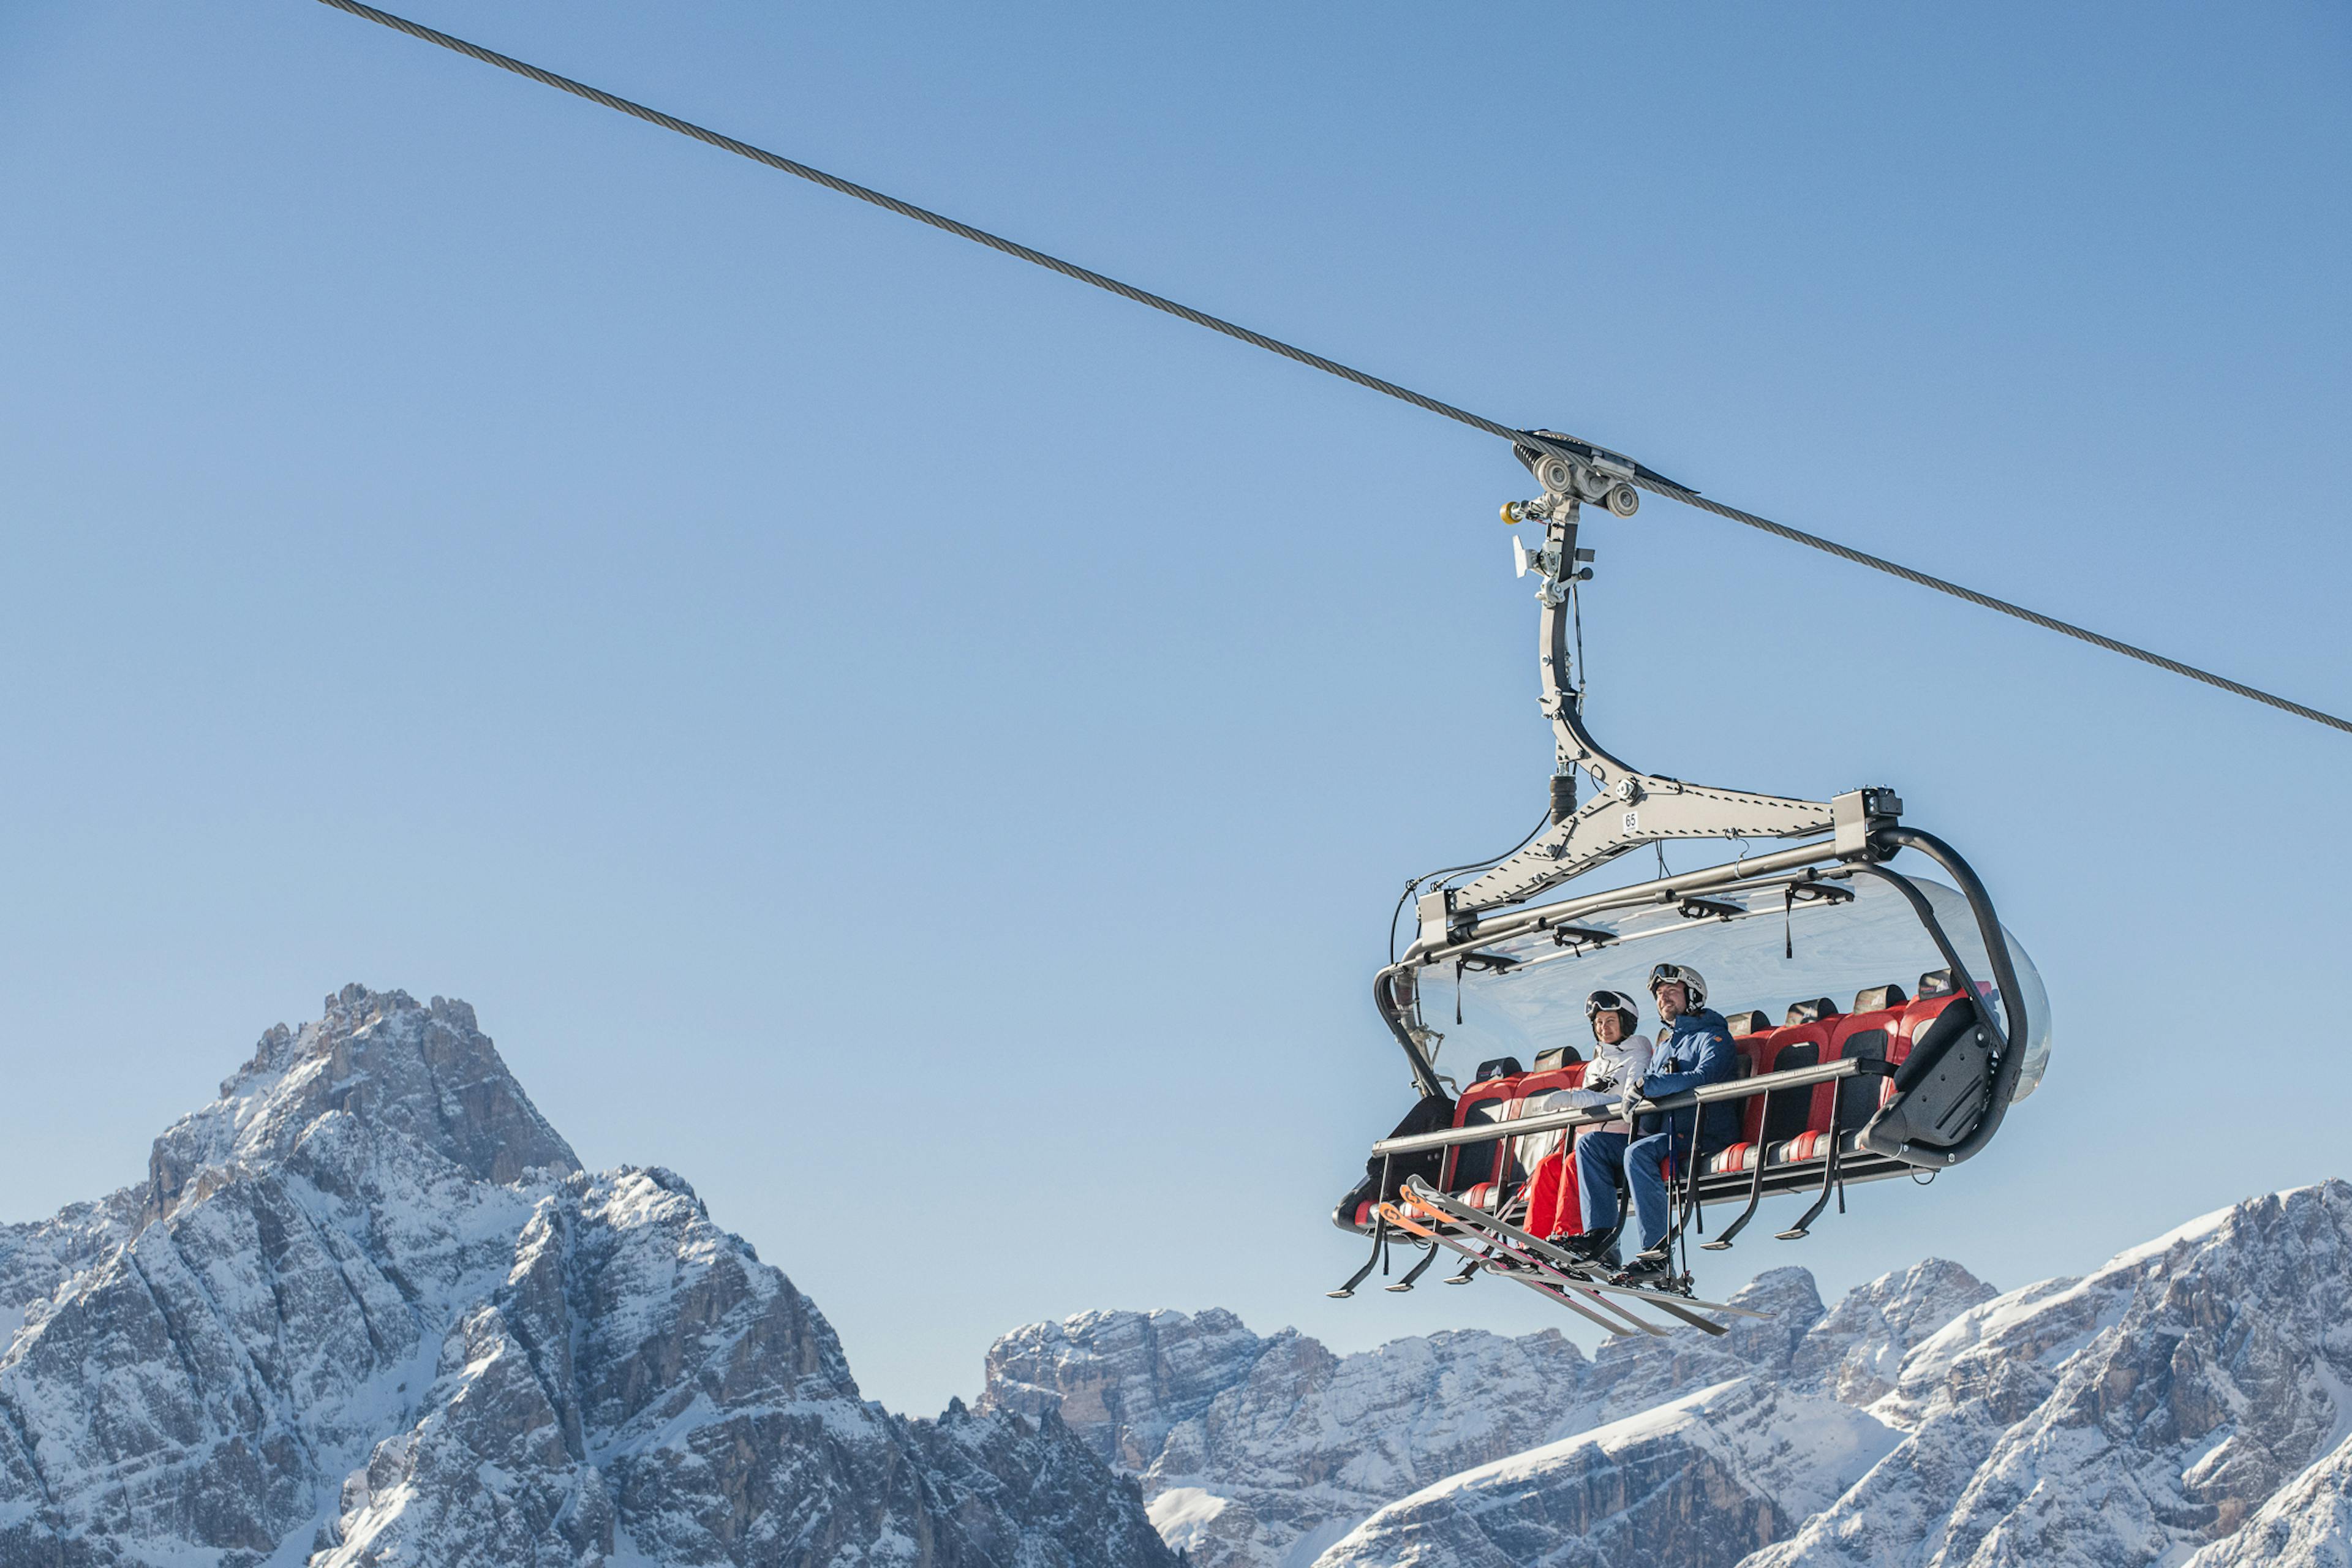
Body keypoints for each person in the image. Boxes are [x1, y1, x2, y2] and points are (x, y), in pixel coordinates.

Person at [1567, 963, 1740, 1287]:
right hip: (1666, 1134)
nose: (1665, 999)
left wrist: (1649, 1086)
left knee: (1638, 1152)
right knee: (1590, 1146)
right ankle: (1602, 1236)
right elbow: (1649, 1091)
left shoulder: (1713, 1037)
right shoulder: (1665, 1047)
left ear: (1694, 995)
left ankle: (1657, 1254)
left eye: (1673, 992)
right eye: (1660, 995)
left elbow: (1704, 1077)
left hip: (1703, 1132)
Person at [1521, 990, 1653, 1251]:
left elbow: (1629, 1100)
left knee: (1573, 1161)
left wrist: (1575, 1098)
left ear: (1626, 1022)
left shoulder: (1639, 1057)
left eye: (1611, 1021)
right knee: (1549, 1166)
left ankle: (1568, 1235)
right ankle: (1533, 1244)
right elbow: (1586, 1110)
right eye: (1599, 1023)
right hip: (1592, 1144)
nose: (1604, 1028)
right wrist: (1573, 1106)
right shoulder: (1594, 1066)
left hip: (1625, 1138)